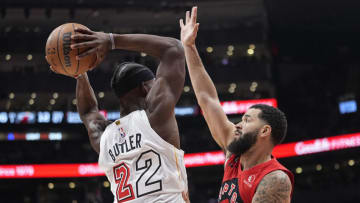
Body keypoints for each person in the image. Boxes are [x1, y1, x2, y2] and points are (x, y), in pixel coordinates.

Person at [179, 7, 294, 203]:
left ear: (265, 130)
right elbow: (207, 99)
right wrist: (189, 47)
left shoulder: (275, 179)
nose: (238, 125)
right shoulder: (234, 155)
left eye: (247, 120)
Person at [71, 28, 188, 202]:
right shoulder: (155, 117)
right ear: (145, 88)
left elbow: (88, 111)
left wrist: (79, 73)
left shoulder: (104, 136)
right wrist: (112, 40)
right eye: (154, 82)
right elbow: (174, 49)